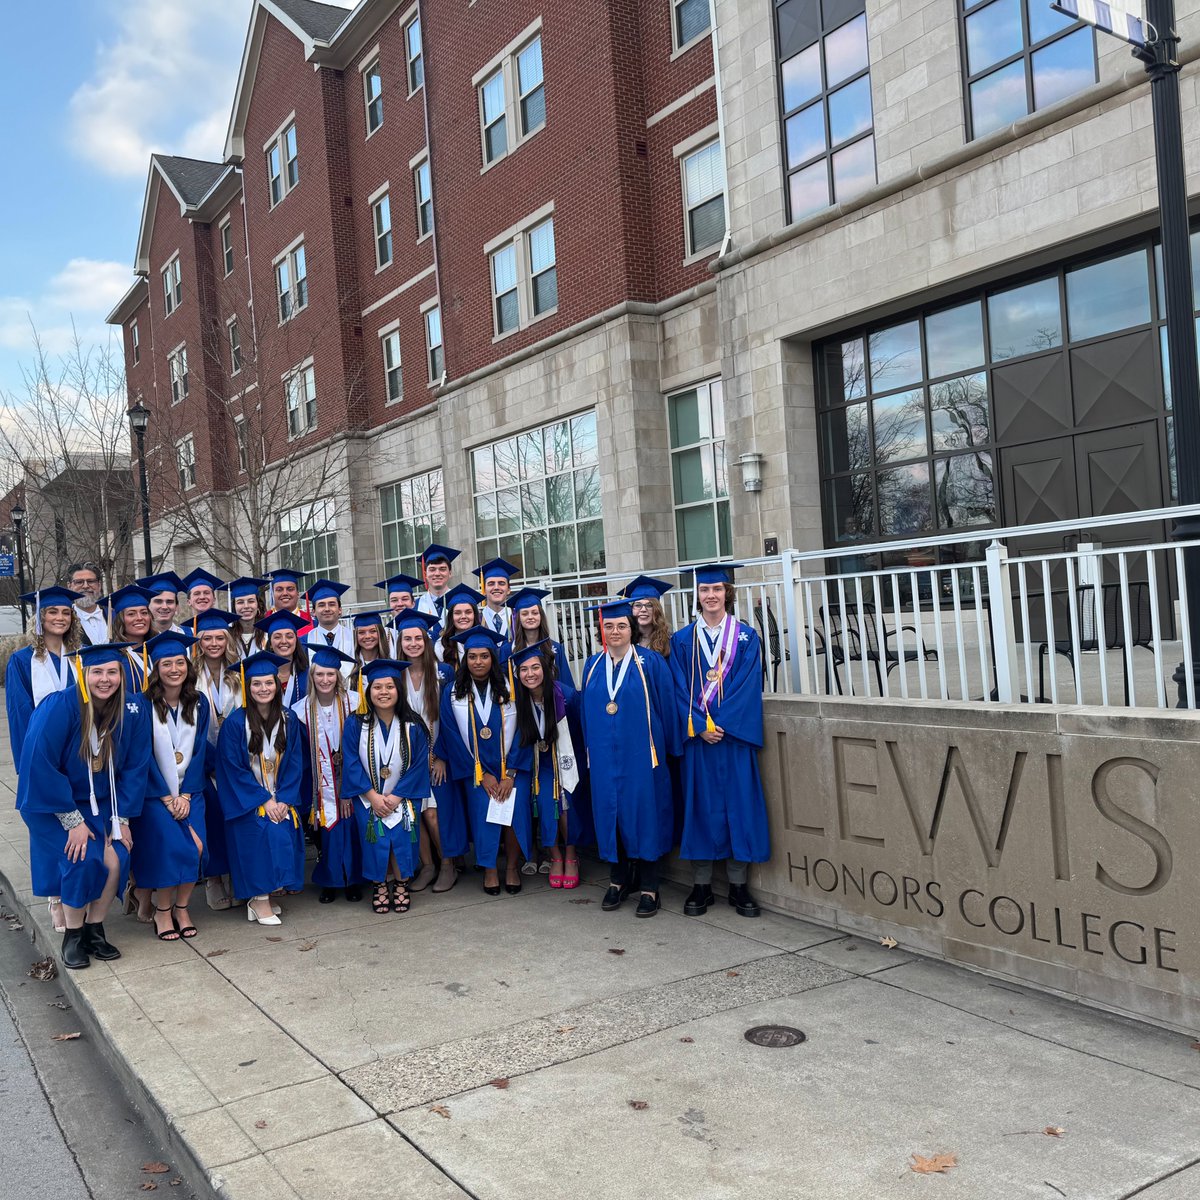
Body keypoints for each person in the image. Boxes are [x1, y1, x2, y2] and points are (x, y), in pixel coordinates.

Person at [16, 643, 151, 969]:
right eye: (97, 672)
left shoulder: (130, 708)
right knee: (81, 858)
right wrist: (72, 821)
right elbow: (40, 764)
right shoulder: (60, 707)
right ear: (84, 673)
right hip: (52, 805)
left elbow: (135, 766)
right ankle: (72, 936)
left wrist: (122, 819)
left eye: (112, 672)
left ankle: (95, 928)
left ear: (121, 674)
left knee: (117, 857)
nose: (105, 679)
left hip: (103, 804)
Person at [670, 564, 769, 919]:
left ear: (728, 593)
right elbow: (677, 690)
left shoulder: (746, 637)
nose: (710, 595)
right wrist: (698, 726)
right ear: (696, 595)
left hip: (732, 739)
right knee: (701, 808)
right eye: (704, 589)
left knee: (738, 808)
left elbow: (747, 688)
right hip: (699, 741)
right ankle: (701, 886)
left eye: (716, 588)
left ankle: (739, 886)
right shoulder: (681, 640)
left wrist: (720, 725)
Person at [579, 600, 680, 918]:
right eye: (608, 626)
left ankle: (650, 886)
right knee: (611, 815)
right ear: (601, 630)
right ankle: (618, 880)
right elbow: (585, 715)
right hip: (605, 761)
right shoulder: (593, 665)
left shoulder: (649, 662)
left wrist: (669, 752)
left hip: (642, 758)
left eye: (621, 625)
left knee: (644, 816)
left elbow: (666, 707)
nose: (615, 631)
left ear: (632, 629)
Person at [5, 586, 81, 934]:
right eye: (53, 613)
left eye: (65, 613)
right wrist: (28, 764)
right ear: (40, 618)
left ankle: (73, 892)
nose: (60, 618)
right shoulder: (22, 661)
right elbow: (20, 714)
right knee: (48, 829)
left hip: (79, 755)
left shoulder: (81, 655)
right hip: (42, 755)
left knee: (76, 825)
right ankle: (54, 897)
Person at [215, 651, 307, 926]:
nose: (263, 688)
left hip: (280, 797)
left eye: (268, 683)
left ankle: (265, 893)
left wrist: (284, 800)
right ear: (247, 686)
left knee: (282, 830)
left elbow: (295, 764)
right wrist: (264, 801)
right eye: (256, 684)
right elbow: (233, 769)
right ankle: (258, 899)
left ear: (277, 685)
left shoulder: (288, 719)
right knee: (260, 832)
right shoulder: (234, 724)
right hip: (248, 802)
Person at [435, 627, 529, 895]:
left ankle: (511, 867)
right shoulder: (453, 692)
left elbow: (524, 728)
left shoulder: (511, 687)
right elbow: (451, 735)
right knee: (482, 810)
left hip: (511, 767)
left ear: (493, 658)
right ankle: (489, 869)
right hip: (475, 771)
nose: (478, 661)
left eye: (484, 656)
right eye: (473, 656)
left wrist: (510, 773)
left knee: (514, 809)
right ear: (466, 659)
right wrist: (481, 775)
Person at [130, 631, 210, 941]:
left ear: (188, 667)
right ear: (156, 668)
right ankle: (163, 912)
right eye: (167, 664)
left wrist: (187, 794)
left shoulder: (198, 702)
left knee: (197, 849)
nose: (174, 669)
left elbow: (201, 749)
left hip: (190, 792)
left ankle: (181, 907)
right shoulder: (141, 704)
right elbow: (141, 755)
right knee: (173, 849)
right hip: (154, 796)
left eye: (180, 662)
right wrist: (166, 797)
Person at [341, 659, 432, 915]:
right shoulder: (355, 723)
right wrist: (373, 797)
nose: (383, 692)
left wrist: (396, 797)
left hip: (404, 797)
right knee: (376, 841)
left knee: (402, 839)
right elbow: (351, 762)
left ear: (398, 690)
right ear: (368, 692)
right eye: (377, 687)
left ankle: (401, 883)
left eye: (389, 687)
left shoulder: (413, 724)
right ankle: (380, 884)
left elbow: (418, 765)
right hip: (367, 798)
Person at [392, 609, 463, 893]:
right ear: (400, 643)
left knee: (434, 813)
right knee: (414, 812)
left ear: (426, 640)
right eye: (407, 638)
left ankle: (447, 864)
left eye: (417, 638)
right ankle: (428, 865)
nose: (412, 643)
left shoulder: (443, 673)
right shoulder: (395, 674)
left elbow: (449, 718)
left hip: (436, 754)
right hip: (407, 757)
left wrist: (443, 756)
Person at [292, 646, 362, 904]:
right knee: (328, 829)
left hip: (353, 777)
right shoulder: (299, 711)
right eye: (319, 674)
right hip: (319, 782)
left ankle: (354, 879)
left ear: (338, 676)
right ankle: (331, 880)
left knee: (351, 825)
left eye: (330, 674)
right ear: (311, 676)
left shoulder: (355, 703)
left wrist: (347, 786)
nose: (325, 680)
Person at [510, 641, 582, 889]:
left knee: (565, 804)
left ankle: (571, 855)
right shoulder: (516, 703)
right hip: (537, 766)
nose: (530, 674)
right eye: (524, 670)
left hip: (565, 762)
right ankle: (556, 856)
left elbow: (579, 735)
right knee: (542, 800)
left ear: (546, 668)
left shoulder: (566, 696)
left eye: (535, 668)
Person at [192, 609, 242, 912]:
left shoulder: (239, 672)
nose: (213, 643)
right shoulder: (189, 673)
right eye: (207, 638)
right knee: (210, 815)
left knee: (233, 816)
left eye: (219, 637)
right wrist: (210, 758)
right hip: (202, 756)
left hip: (236, 756)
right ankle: (213, 878)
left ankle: (237, 872)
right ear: (199, 642)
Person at [509, 587, 576, 687]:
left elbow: (566, 684)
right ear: (518, 619)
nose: (530, 617)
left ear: (541, 616)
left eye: (535, 613)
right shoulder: (508, 650)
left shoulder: (555, 648)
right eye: (525, 614)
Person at [102, 585, 155, 692]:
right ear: (120, 620)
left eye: (144, 613)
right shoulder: (113, 657)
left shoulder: (157, 650)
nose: (140, 618)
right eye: (131, 614)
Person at [256, 610, 309, 707]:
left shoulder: (309, 676)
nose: (284, 641)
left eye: (289, 636)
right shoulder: (260, 676)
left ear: (296, 641)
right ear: (271, 644)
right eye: (277, 637)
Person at [620, 576, 674, 657]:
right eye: (638, 605)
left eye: (649, 605)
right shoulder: (624, 642)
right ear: (631, 609)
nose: (643, 610)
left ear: (657, 610)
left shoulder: (670, 642)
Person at [303, 579, 353, 661]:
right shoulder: (304, 642)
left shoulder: (353, 638)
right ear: (313, 612)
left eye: (332, 604)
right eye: (321, 605)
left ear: (340, 610)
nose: (327, 609)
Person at [436, 583, 484, 668]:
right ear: (451, 617)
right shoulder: (441, 645)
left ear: (475, 615)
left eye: (468, 612)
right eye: (457, 613)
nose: (463, 617)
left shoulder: (485, 640)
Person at [415, 544, 460, 626]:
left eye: (442, 569)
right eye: (432, 569)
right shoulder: (416, 605)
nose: (437, 574)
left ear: (450, 573)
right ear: (425, 574)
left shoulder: (461, 602)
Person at [374, 574, 421, 652]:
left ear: (413, 603)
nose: (400, 604)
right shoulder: (382, 635)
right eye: (394, 600)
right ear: (389, 605)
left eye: (405, 599)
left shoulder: (423, 632)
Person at [475, 558, 519, 638]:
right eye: (491, 584)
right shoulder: (476, 621)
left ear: (509, 589)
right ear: (484, 590)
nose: (496, 587)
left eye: (501, 583)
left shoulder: (518, 617)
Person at [348, 611, 389, 696]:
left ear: (380, 633)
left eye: (373, 631)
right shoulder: (347, 668)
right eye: (361, 632)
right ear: (356, 636)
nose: (367, 636)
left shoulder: (390, 664)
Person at [68, 562, 108, 646]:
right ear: (69, 586)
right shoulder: (65, 619)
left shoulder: (114, 616)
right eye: (79, 582)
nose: (85, 586)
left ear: (99, 585)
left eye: (91, 581)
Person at [227, 577, 269, 657]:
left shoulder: (267, 635)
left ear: (258, 605)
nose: (246, 606)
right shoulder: (227, 637)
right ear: (233, 607)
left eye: (251, 601)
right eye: (240, 602)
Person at [267, 568, 312, 634]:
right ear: (272, 594)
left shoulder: (311, 623)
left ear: (298, 594)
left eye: (290, 589)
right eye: (279, 590)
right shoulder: (263, 622)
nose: (285, 593)